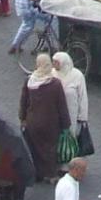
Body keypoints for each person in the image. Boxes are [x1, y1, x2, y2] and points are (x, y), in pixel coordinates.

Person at [20, 53, 70, 183]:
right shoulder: (55, 84)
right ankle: (51, 174)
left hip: (32, 122)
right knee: (50, 148)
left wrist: (22, 119)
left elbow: (23, 102)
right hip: (51, 123)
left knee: (35, 148)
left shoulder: (29, 81)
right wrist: (66, 125)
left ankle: (38, 173)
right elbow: (62, 106)